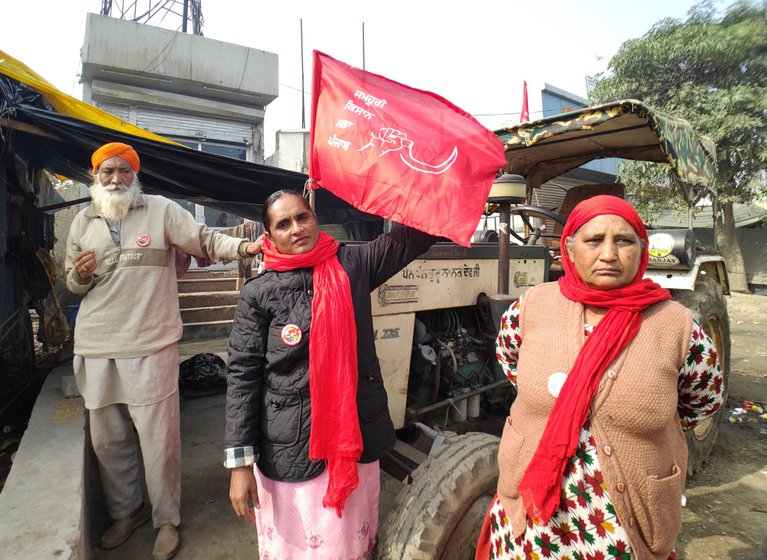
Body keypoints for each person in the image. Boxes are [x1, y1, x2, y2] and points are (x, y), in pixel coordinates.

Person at [475, 195, 724, 560]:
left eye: (623, 241)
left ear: (641, 250)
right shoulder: (530, 308)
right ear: (571, 250)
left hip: (623, 527)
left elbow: (703, 398)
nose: (608, 254)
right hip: (529, 519)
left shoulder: (676, 325)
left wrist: (635, 412)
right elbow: (512, 363)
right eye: (594, 241)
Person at [66, 142, 261, 560]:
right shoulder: (82, 221)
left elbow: (204, 239)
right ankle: (127, 511)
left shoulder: (161, 211)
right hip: (97, 344)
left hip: (151, 342)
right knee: (109, 441)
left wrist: (243, 248)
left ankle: (167, 520)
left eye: (123, 171)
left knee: (160, 442)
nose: (116, 179)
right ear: (95, 175)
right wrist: (79, 277)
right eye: (108, 172)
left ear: (135, 176)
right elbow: (71, 283)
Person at [224, 189, 438, 559]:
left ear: (314, 217)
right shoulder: (258, 294)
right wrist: (240, 463)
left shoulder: (353, 264)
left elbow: (411, 238)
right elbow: (243, 375)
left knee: (349, 544)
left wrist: (438, 185)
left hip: (353, 433)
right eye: (283, 224)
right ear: (268, 235)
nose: (296, 229)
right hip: (289, 443)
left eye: (302, 217)